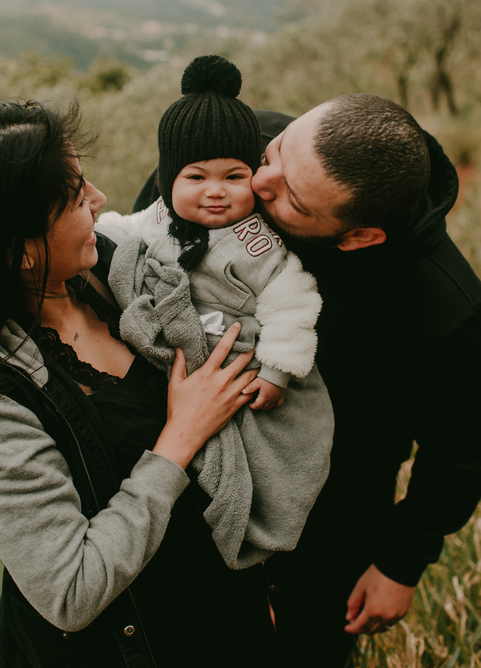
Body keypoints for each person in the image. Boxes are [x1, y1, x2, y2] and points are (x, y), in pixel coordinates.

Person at [0, 100, 276, 667]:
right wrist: (179, 438)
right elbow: (70, 590)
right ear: (19, 251)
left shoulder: (114, 270)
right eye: (74, 196)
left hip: (224, 616)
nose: (99, 197)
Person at [132, 93, 481, 666]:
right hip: (195, 485)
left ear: (358, 237)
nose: (257, 183)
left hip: (332, 522)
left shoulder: (444, 309)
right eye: (274, 155)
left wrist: (401, 563)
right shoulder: (241, 151)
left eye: (289, 199)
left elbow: (463, 448)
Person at [96, 54, 332, 570]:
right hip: (188, 359)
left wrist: (276, 368)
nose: (216, 191)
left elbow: (293, 302)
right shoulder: (157, 218)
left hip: (247, 366)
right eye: (196, 176)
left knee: (269, 445)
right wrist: (88, 232)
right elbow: (121, 229)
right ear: (168, 181)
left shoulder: (259, 243)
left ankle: (263, 516)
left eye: (234, 175)